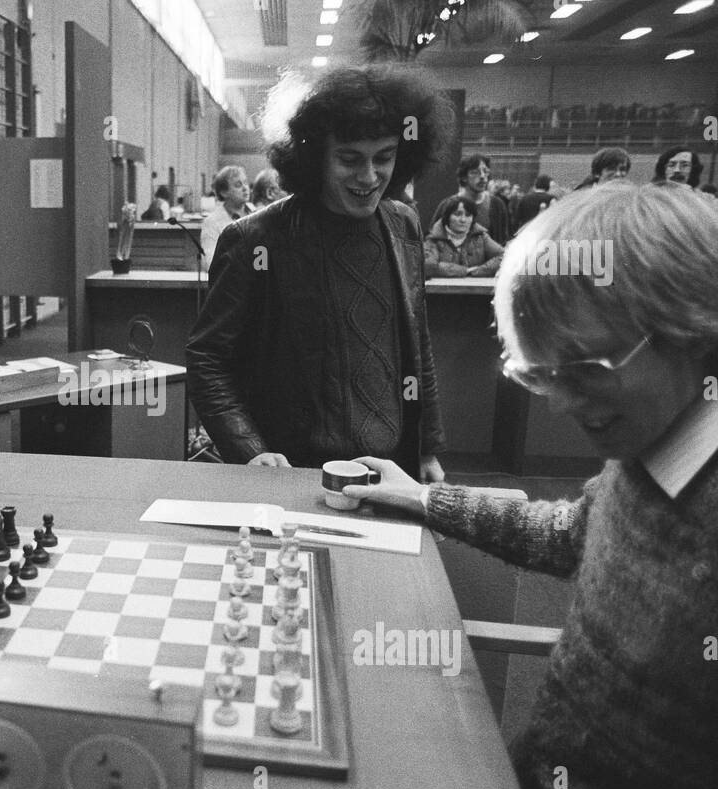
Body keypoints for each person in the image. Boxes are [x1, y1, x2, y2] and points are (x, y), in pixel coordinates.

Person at [345, 182, 718, 789]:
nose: (563, 405)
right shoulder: (662, 433)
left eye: (586, 369)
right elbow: (573, 532)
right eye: (540, 374)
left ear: (691, 329)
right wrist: (425, 498)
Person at [187, 63, 451, 481]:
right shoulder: (256, 238)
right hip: (294, 470)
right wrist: (250, 451)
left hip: (392, 470)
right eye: (349, 159)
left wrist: (427, 448)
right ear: (314, 158)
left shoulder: (405, 225)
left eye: (384, 158)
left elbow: (418, 342)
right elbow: (208, 358)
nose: (369, 177)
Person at [424, 195, 504, 277]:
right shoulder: (434, 240)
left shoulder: (481, 237)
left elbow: (504, 256)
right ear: (447, 217)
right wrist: (464, 271)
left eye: (468, 215)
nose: (463, 220)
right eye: (457, 214)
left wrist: (479, 271)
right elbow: (428, 266)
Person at [199, 165, 253, 270]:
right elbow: (209, 263)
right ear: (224, 192)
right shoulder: (212, 222)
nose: (245, 188)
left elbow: (265, 254)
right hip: (231, 281)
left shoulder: (258, 214)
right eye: (238, 185)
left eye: (246, 183)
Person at [452, 152, 511, 244]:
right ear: (464, 177)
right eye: (475, 172)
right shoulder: (449, 204)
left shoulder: (497, 205)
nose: (482, 176)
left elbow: (503, 240)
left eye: (485, 171)